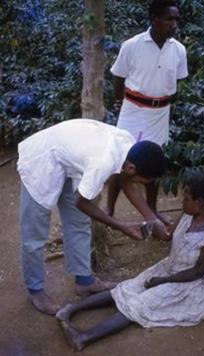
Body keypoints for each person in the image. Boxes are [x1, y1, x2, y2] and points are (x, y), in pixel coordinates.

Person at [56, 172, 204, 352]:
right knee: (128, 287)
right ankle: (70, 310)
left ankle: (84, 337)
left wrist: (161, 281)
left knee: (139, 304)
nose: (182, 201)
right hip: (170, 269)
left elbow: (197, 272)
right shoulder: (188, 215)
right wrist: (148, 228)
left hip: (188, 285)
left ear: (201, 203)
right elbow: (168, 235)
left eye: (186, 198)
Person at [17, 118, 167, 315]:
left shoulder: (130, 148)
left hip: (68, 163)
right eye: (143, 180)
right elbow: (81, 202)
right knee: (34, 234)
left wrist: (152, 219)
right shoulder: (103, 161)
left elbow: (126, 182)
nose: (141, 184)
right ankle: (35, 291)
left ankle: (84, 282)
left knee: (79, 223)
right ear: (131, 168)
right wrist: (121, 226)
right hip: (42, 160)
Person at [108, 0, 188, 220]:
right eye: (169, 19)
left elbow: (176, 84)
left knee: (153, 162)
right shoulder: (132, 45)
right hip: (133, 110)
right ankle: (109, 209)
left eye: (176, 19)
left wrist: (166, 106)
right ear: (154, 19)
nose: (174, 24)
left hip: (160, 113)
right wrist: (118, 102)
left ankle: (152, 210)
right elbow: (118, 75)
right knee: (121, 160)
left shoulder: (179, 50)